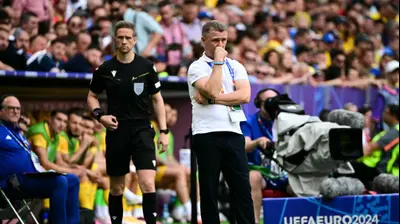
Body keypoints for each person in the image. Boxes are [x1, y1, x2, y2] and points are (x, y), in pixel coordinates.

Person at [87, 21, 168, 224]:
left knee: (148, 184)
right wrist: (100, 116)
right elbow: (91, 96)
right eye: (120, 37)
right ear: (115, 39)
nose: (123, 41)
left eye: (127, 37)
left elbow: (158, 100)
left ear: (134, 40)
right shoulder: (105, 68)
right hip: (117, 131)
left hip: (142, 130)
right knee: (117, 188)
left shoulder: (147, 67)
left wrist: (164, 131)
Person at [187, 20, 255, 224]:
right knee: (209, 191)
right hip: (206, 133)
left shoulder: (236, 66)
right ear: (203, 40)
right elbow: (213, 88)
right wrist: (217, 62)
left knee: (242, 188)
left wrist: (213, 100)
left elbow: (244, 96)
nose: (220, 45)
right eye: (215, 40)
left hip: (233, 132)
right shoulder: (196, 67)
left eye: (224, 40)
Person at [0, 95, 80, 224]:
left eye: (18, 109)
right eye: (11, 108)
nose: (16, 111)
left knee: (73, 180)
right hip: (14, 183)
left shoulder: (19, 134)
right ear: (1, 110)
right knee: (59, 182)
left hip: (32, 177)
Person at [240, 88, 291, 223]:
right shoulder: (249, 122)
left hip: (285, 173)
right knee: (253, 177)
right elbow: (244, 145)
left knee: (303, 180)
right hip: (262, 173)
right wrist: (257, 142)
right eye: (267, 102)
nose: (271, 106)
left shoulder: (287, 121)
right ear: (258, 103)